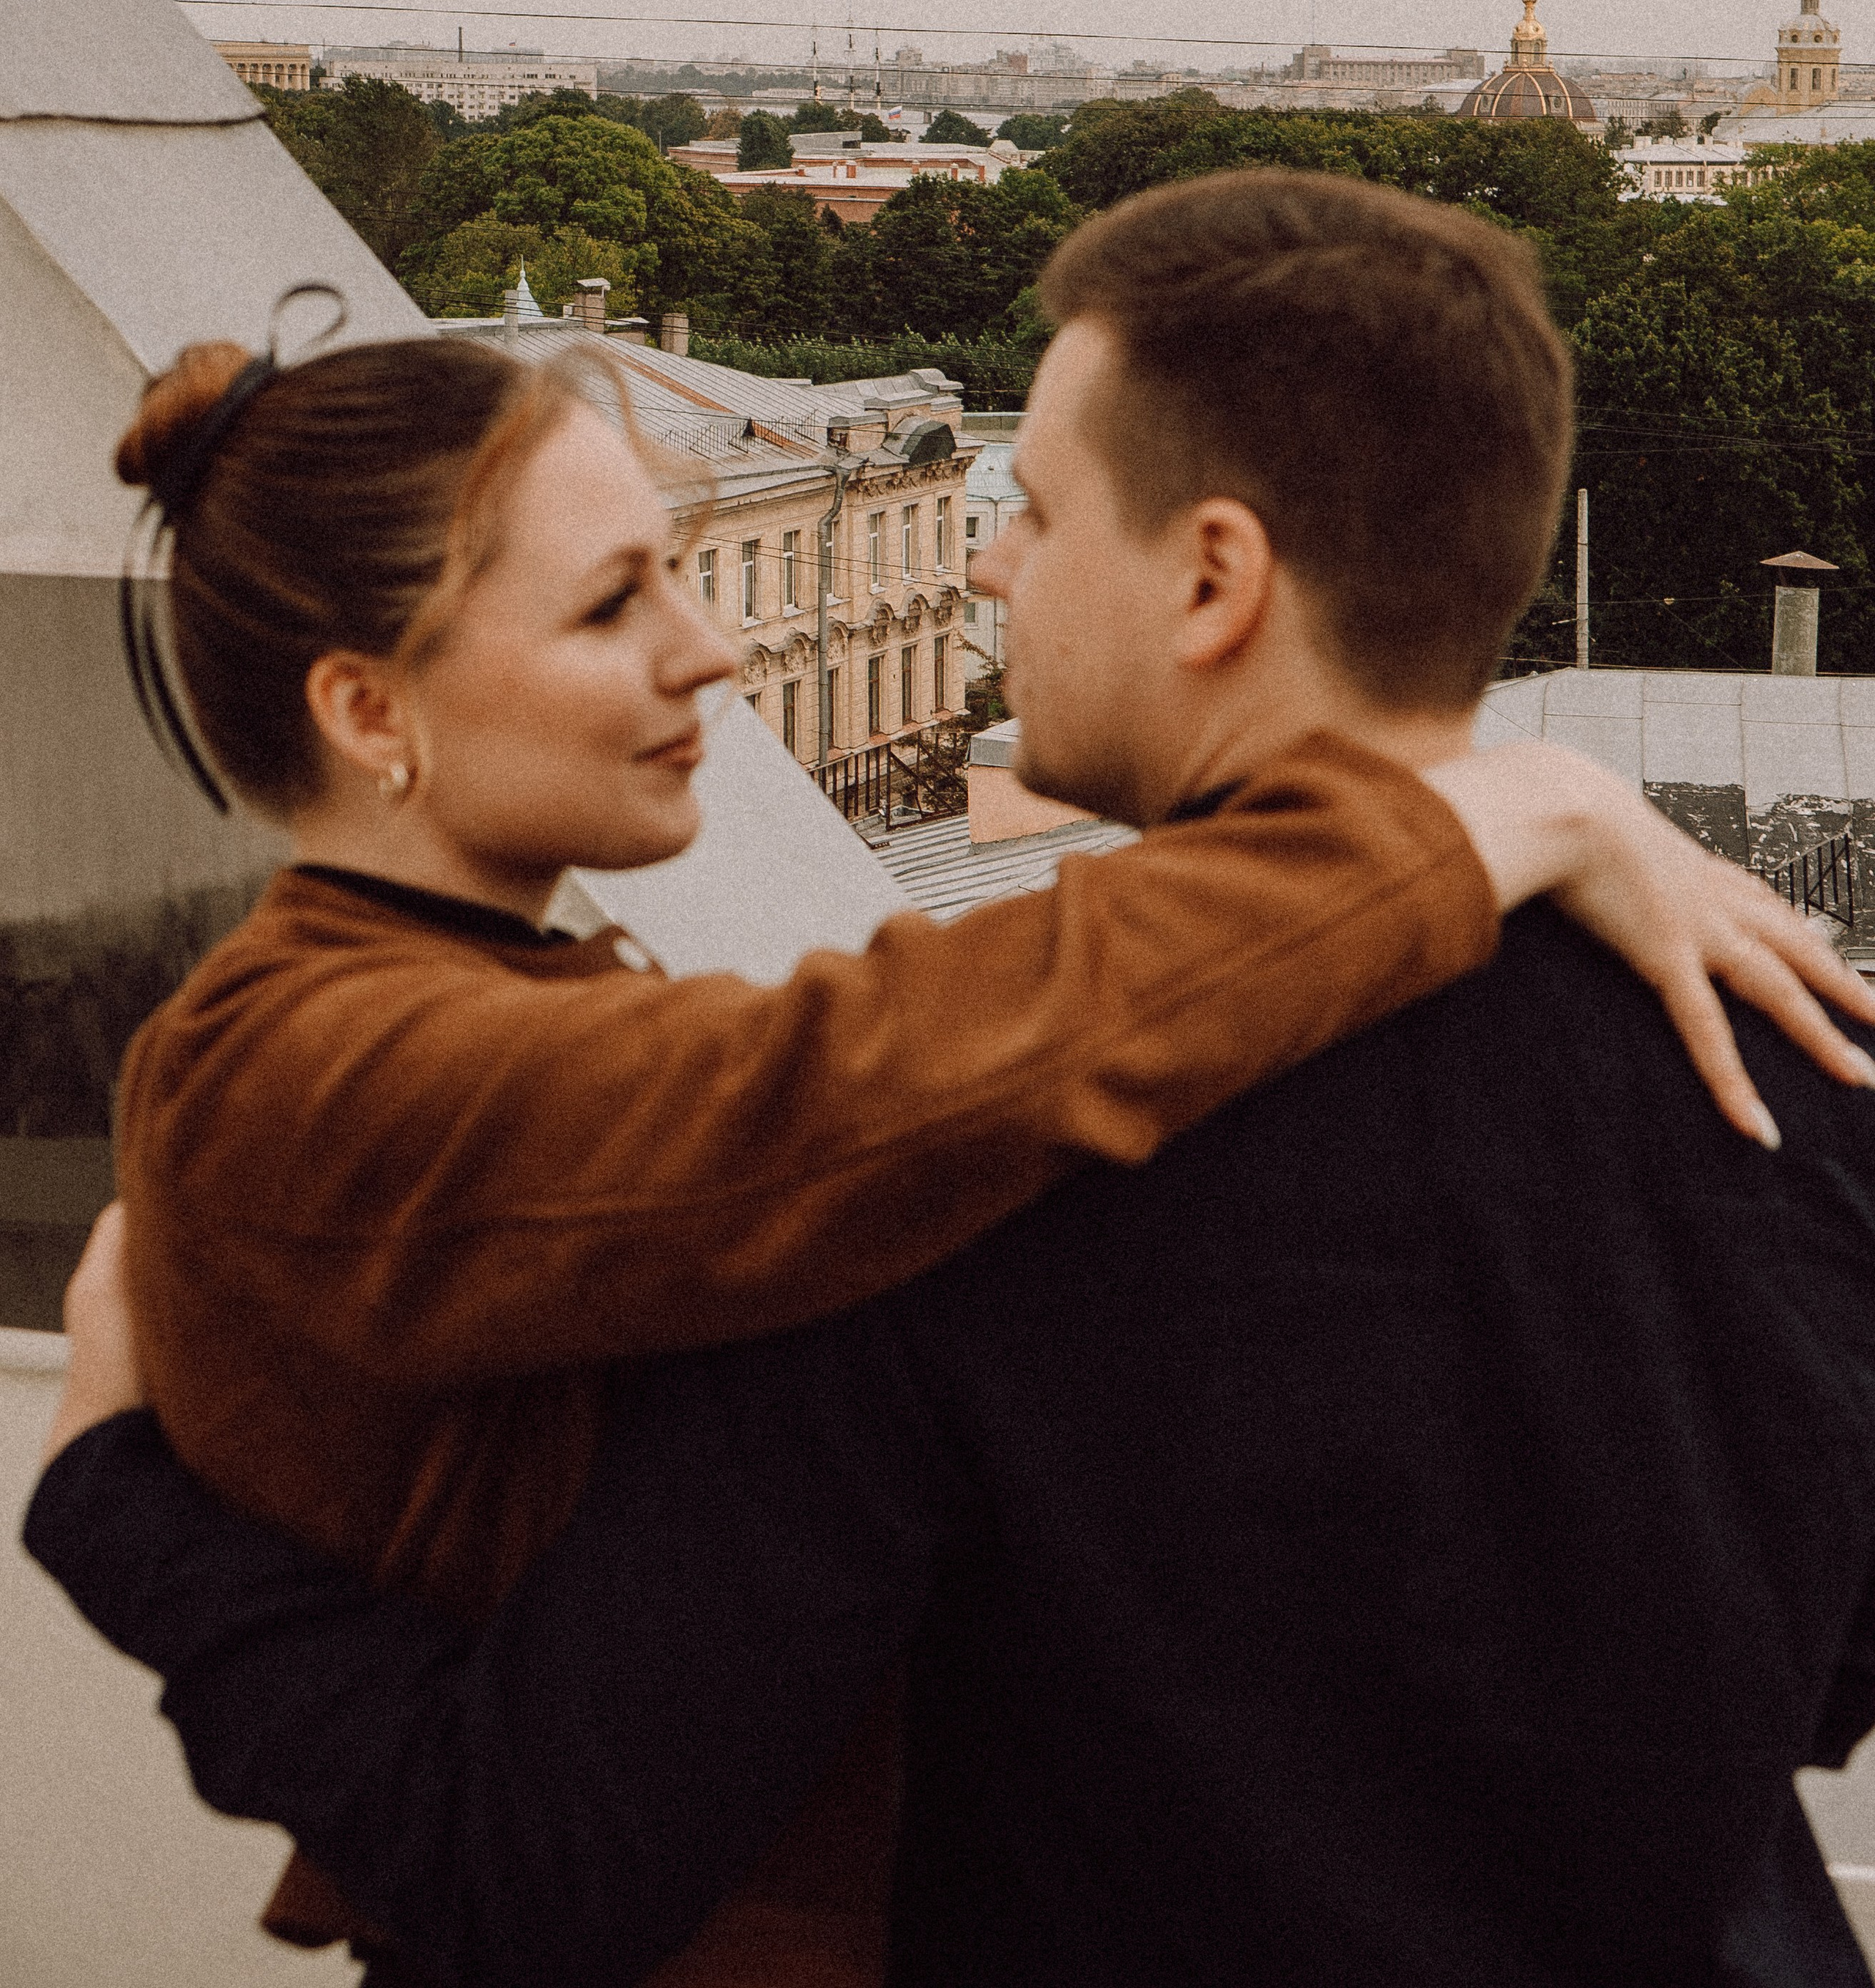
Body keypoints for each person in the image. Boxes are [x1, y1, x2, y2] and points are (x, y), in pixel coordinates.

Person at [29, 171, 1875, 1987]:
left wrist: (122, 1504)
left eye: (1037, 511)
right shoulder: (1803, 1074)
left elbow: (549, 1849)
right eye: (617, 601)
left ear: (1211, 576)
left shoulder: (926, 1199)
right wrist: (1507, 799)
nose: (981, 556)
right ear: (367, 708)